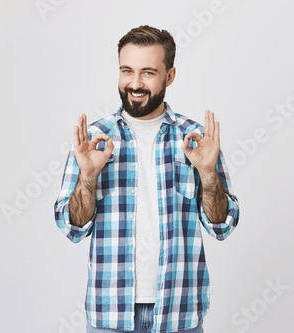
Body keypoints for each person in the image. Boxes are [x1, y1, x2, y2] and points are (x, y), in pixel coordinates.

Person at [53, 25, 240, 333]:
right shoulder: (93, 140)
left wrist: (208, 174)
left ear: (169, 76)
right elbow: (72, 228)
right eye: (127, 70)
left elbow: (222, 225)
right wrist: (87, 178)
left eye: (148, 73)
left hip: (179, 314)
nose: (135, 83)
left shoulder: (196, 140)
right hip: (109, 315)